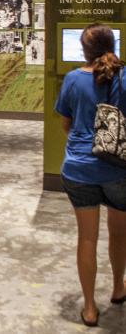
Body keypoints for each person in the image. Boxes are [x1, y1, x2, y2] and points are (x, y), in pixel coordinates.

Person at [55, 23, 126, 327]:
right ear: (114, 46)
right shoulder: (124, 78)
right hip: (118, 169)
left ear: (83, 50)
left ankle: (88, 307)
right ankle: (119, 287)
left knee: (87, 238)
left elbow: (66, 125)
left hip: (78, 168)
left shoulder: (72, 80)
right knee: (119, 234)